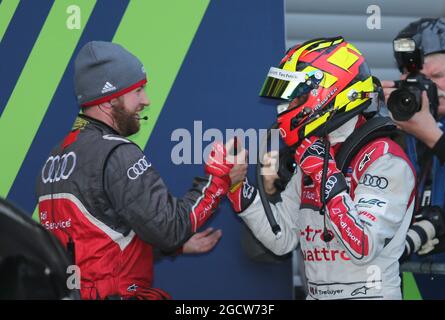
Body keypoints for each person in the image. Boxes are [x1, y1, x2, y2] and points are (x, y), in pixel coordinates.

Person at [35, 41, 247, 300]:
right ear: (110, 99)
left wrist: (165, 249)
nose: (145, 101)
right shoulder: (116, 153)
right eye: (138, 90)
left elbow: (93, 241)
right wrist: (220, 178)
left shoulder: (56, 156)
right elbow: (169, 230)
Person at [226, 37, 416, 299]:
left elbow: (362, 246)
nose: (286, 107)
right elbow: (282, 238)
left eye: (296, 97)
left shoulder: (385, 160)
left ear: (331, 93)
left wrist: (326, 178)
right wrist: (238, 189)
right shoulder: (316, 156)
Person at [382, 18, 445, 164]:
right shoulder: (401, 123)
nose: (426, 85)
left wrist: (433, 137)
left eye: (437, 75)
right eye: (415, 77)